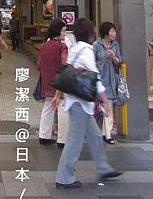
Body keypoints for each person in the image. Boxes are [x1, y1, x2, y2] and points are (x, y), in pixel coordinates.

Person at [53, 18, 122, 189]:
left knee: (96, 136)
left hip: (78, 101)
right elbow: (94, 77)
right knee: (74, 141)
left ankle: (103, 168)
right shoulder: (86, 50)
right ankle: (64, 178)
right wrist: (105, 101)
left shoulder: (75, 49)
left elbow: (67, 73)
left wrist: (58, 95)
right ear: (90, 33)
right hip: (79, 103)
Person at [37, 18, 68, 148]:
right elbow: (64, 65)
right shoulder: (62, 46)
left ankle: (44, 136)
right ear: (58, 31)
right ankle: (62, 139)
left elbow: (38, 65)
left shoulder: (43, 46)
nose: (65, 34)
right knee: (62, 107)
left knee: (48, 107)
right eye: (64, 31)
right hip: (59, 83)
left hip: (47, 81)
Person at [93, 22, 122, 145]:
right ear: (106, 33)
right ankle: (96, 132)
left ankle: (108, 134)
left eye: (115, 31)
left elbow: (119, 62)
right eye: (112, 31)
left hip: (110, 80)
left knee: (109, 106)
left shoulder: (115, 45)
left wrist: (114, 57)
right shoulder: (96, 45)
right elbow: (92, 62)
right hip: (99, 79)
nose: (114, 34)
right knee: (98, 107)